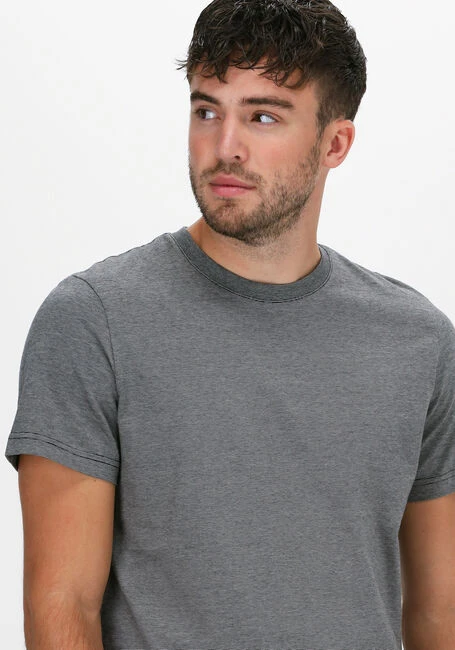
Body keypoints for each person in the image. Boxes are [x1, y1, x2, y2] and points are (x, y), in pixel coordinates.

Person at [4, 0, 455, 648]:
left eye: (262, 116)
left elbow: (439, 614)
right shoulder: (94, 321)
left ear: (335, 143)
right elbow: (61, 608)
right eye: (207, 110)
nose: (224, 148)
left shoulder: (418, 343)